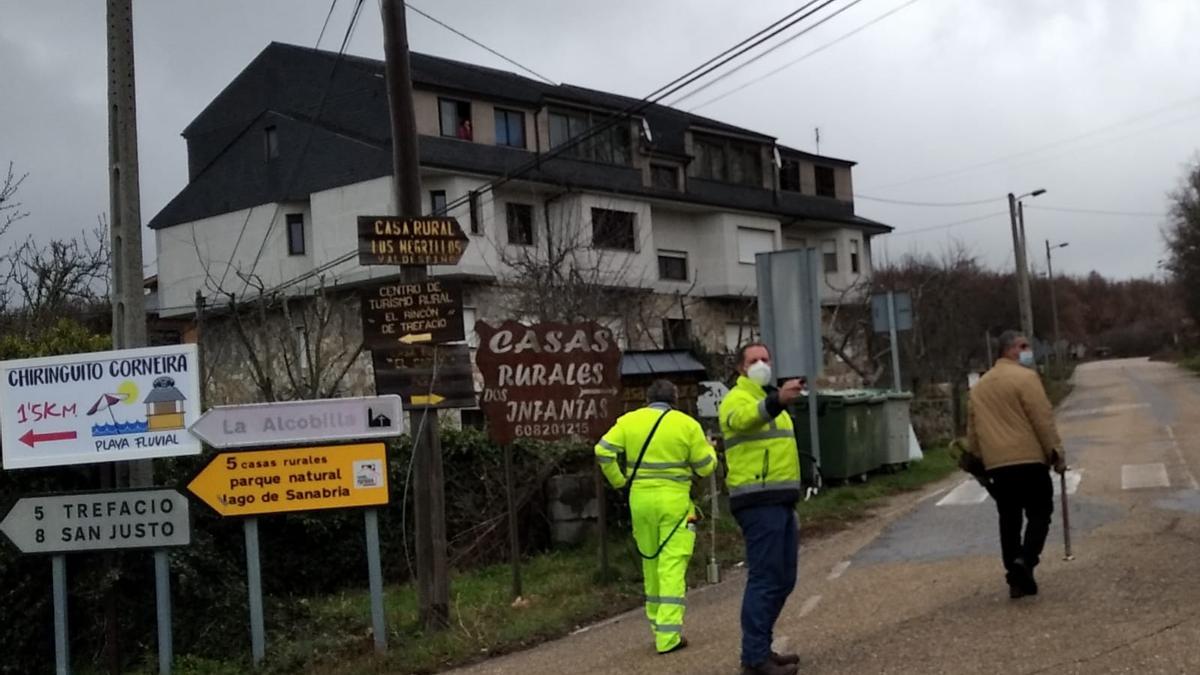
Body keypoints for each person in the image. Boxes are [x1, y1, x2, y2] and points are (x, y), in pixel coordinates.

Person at [595, 379, 717, 655]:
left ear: (647, 399)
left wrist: (618, 480)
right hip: (674, 502)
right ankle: (668, 636)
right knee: (672, 564)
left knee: (650, 561)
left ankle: (657, 625)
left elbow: (601, 450)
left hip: (640, 500)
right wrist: (710, 449)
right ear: (674, 398)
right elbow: (705, 468)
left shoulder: (629, 421)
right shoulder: (686, 425)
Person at [720, 343, 805, 675]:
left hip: (780, 499)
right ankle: (754, 658)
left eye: (766, 359)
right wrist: (776, 400)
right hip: (757, 502)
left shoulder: (774, 399)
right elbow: (743, 419)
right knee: (765, 578)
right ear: (741, 368)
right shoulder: (737, 399)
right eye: (754, 360)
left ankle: (761, 648)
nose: (761, 365)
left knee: (784, 579)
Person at [968, 330, 1067, 599]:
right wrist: (1055, 451)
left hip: (997, 465)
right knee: (1040, 512)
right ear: (1008, 350)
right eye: (1023, 346)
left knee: (1009, 519)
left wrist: (976, 461)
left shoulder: (980, 387)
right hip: (1029, 459)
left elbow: (973, 430)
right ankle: (1026, 560)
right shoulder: (1026, 378)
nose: (1027, 350)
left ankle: (1016, 577)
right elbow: (1042, 418)